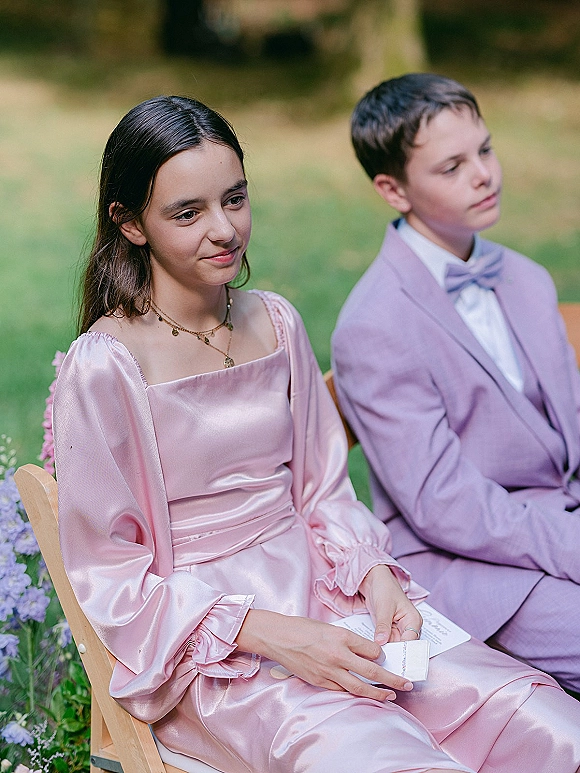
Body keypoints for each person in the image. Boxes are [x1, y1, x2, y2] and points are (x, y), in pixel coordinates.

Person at [52, 95, 580, 773]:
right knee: (385, 757)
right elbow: (110, 572)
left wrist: (375, 572)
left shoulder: (276, 321)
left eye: (235, 199)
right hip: (212, 645)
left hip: (329, 589)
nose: (224, 229)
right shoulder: (107, 366)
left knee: (543, 723)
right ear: (129, 224)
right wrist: (272, 635)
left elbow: (323, 486)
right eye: (188, 213)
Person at [332, 72, 580, 695]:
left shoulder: (524, 277)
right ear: (393, 189)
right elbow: (443, 503)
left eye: (485, 151)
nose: (484, 175)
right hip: (472, 567)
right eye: (452, 167)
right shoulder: (375, 325)